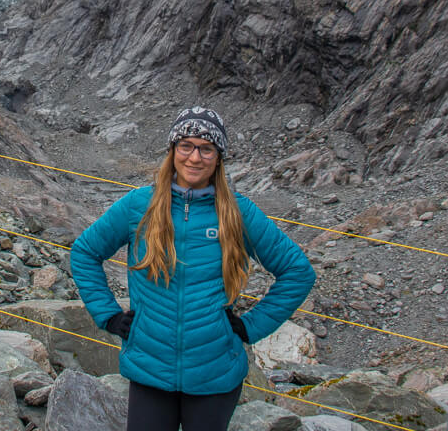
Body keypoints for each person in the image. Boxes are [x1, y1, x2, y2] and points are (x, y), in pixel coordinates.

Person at [70, 106, 316, 431]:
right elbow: (85, 252)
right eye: (185, 145)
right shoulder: (138, 206)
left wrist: (250, 327)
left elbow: (298, 272)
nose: (194, 157)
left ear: (218, 158)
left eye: (206, 148)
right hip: (149, 370)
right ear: (172, 151)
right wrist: (109, 316)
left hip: (214, 374)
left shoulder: (238, 213)